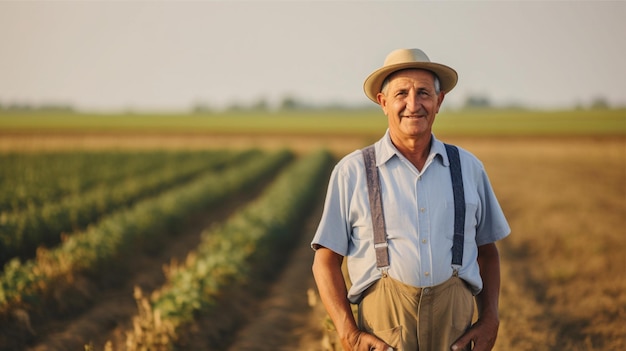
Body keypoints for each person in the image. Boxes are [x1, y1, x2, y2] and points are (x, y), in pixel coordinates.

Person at [311, 48, 510, 351]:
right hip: (384, 333)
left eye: (424, 93)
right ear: (384, 102)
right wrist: (348, 333)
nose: (413, 104)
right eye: (401, 93)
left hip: (455, 331)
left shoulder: (469, 168)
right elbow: (325, 262)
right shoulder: (352, 172)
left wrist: (490, 318)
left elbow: (488, 252)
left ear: (439, 102)